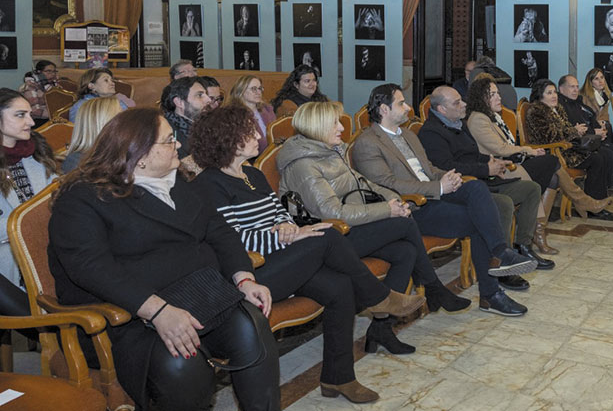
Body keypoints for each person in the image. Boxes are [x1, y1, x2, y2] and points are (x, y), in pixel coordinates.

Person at [48, 108, 280, 411]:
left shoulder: (179, 182)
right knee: (183, 365)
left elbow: (220, 232)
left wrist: (243, 277)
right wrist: (157, 311)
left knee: (253, 327)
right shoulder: (83, 198)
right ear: (140, 154)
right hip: (129, 317)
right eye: (169, 140)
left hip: (200, 296)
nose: (179, 145)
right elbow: (90, 268)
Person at [189, 107, 425, 402]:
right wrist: (286, 235)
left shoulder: (252, 174)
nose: (257, 135)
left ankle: (338, 379)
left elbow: (280, 214)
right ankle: (378, 297)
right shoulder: (209, 185)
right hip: (251, 275)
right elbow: (233, 242)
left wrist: (289, 227)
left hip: (282, 258)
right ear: (229, 139)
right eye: (248, 131)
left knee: (340, 287)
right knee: (328, 235)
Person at [276, 102, 471, 338]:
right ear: (317, 127)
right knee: (404, 224)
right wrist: (387, 210)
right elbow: (333, 213)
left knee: (405, 251)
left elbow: (365, 184)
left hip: (352, 227)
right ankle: (434, 287)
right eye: (335, 123)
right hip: (329, 239)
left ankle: (382, 330)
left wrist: (393, 200)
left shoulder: (330, 151)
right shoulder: (303, 165)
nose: (342, 127)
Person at [351, 84, 537, 316]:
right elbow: (387, 184)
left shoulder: (408, 135)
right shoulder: (368, 142)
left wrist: (448, 177)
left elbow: (429, 169)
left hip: (435, 195)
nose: (408, 107)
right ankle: (492, 291)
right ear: (384, 109)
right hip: (411, 208)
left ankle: (500, 256)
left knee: (476, 187)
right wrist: (438, 186)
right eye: (401, 103)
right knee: (480, 220)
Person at [466, 76, 612, 252]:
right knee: (552, 162)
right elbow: (500, 149)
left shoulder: (492, 117)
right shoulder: (479, 119)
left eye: (498, 93)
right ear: (480, 98)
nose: (499, 97)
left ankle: (540, 231)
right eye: (493, 94)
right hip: (501, 169)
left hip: (515, 161)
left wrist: (528, 151)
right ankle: (578, 204)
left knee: (553, 176)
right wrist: (529, 150)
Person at [417, 86, 553, 268]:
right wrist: (486, 169)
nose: (464, 104)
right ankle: (501, 262)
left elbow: (472, 154)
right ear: (442, 109)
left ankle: (523, 246)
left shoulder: (458, 123)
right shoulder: (431, 133)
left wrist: (493, 162)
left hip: (481, 180)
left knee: (531, 189)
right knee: (504, 203)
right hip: (462, 188)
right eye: (457, 103)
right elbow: (446, 167)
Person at [0, 89, 59, 324]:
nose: (32, 122)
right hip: (9, 255)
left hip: (46, 246)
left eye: (30, 114)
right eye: (20, 115)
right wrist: (28, 226)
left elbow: (56, 199)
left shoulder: (36, 153)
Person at [525, 79, 613, 209]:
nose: (554, 96)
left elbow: (566, 128)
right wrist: (574, 131)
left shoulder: (557, 108)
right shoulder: (536, 112)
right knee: (597, 159)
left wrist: (576, 131)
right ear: (540, 96)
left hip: (568, 147)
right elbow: (549, 137)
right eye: (549, 93)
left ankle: (596, 200)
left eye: (554, 92)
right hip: (554, 152)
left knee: (601, 156)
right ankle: (593, 204)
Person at [557, 74, 613, 181]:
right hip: (577, 144)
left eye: (577, 86)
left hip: (591, 139)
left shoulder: (577, 102)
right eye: (572, 87)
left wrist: (600, 130)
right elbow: (576, 127)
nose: (575, 90)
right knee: (608, 155)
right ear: (561, 89)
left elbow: (590, 118)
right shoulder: (561, 106)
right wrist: (594, 131)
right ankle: (602, 183)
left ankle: (604, 181)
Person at [62, 96, 122, 173]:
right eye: (120, 117)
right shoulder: (76, 163)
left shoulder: (114, 150)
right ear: (102, 124)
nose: (125, 122)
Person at [160, 76, 212, 157]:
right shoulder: (165, 133)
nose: (209, 100)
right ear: (179, 102)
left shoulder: (207, 126)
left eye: (206, 94)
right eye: (199, 95)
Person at [224, 75, 277, 155]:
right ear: (241, 91)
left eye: (260, 88)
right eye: (253, 89)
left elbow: (277, 133)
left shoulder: (267, 109)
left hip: (273, 153)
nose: (258, 92)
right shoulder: (234, 115)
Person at [68, 68, 135, 122]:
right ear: (91, 86)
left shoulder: (119, 102)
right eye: (106, 80)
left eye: (112, 80)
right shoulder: (81, 106)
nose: (113, 83)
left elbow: (128, 122)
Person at [19, 60, 60, 127]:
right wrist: (56, 114)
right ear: (39, 72)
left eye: (54, 71)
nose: (52, 74)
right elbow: (35, 111)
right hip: (37, 122)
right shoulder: (30, 86)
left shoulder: (54, 84)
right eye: (48, 71)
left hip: (53, 118)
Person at [580, 68, 613, 132]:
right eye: (596, 79)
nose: (600, 81)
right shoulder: (584, 97)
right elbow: (585, 118)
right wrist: (598, 123)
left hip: (601, 124)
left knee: (608, 126)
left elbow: (605, 116)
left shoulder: (605, 96)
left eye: (602, 77)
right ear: (591, 83)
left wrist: (603, 122)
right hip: (589, 127)